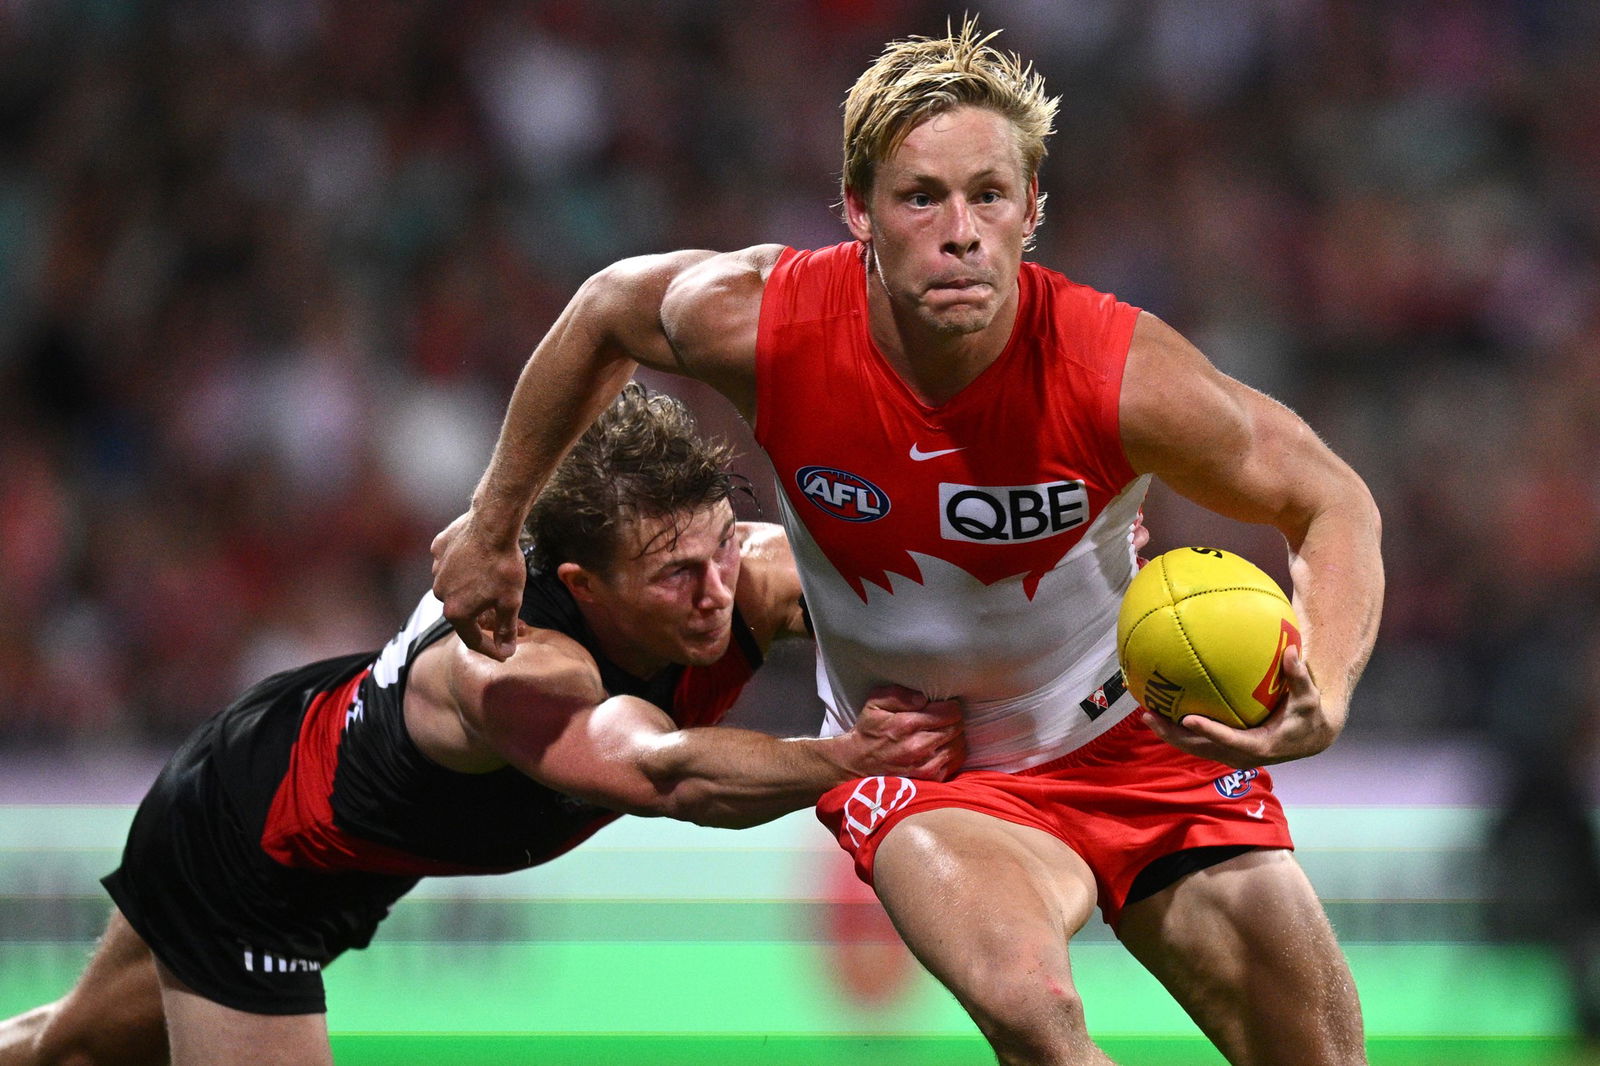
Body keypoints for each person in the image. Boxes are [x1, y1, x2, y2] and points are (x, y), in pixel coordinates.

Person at [429, 19, 1385, 1066]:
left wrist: (1327, 684)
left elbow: (1332, 501)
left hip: (1140, 746)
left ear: (1032, 211)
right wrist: (492, 524)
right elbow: (604, 311)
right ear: (857, 213)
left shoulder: (1120, 373)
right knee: (1033, 1011)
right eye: (919, 196)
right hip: (930, 769)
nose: (960, 230)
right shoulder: (766, 325)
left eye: (988, 194)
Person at [0, 383, 965, 1066]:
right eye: (676, 576)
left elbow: (934, 570)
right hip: (249, 855)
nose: (718, 593)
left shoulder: (744, 572)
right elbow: (668, 775)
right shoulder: (510, 666)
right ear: (584, 586)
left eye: (721, 547)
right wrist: (845, 759)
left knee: (73, 1049)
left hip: (334, 834)